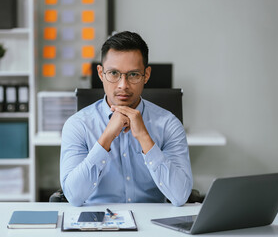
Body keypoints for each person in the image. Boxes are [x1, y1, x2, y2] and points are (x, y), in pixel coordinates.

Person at [60, 31, 193, 207]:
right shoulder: (78, 125)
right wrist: (106, 137)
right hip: (98, 224)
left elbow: (180, 196)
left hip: (153, 224)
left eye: (133, 75)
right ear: (101, 73)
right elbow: (74, 197)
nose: (123, 85)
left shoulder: (168, 124)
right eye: (114, 73)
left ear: (146, 75)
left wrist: (145, 138)